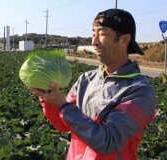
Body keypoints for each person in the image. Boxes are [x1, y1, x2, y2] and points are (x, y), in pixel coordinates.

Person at [31, 8, 156, 160]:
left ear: (124, 40)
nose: (94, 42)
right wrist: (48, 98)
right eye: (93, 34)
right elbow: (63, 125)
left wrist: (64, 106)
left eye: (102, 34)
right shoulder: (86, 79)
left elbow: (108, 142)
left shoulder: (140, 91)